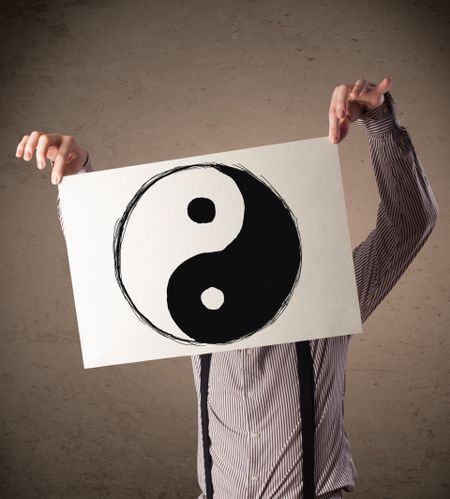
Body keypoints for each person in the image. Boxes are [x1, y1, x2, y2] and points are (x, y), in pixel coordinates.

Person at [15, 76, 439, 499]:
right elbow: (108, 269)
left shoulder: (333, 294)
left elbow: (409, 222)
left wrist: (380, 123)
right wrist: (77, 178)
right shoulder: (186, 316)